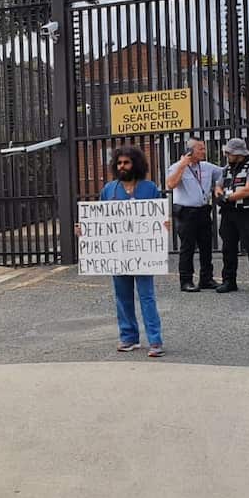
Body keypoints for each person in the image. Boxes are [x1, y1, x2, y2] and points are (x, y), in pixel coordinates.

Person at [78, 146, 168, 358]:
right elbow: (100, 220)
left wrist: (165, 224)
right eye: (119, 163)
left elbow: (158, 217)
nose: (122, 166)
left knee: (147, 297)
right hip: (118, 256)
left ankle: (155, 340)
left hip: (143, 254)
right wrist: (85, 229)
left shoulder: (149, 187)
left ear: (135, 164)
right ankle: (129, 337)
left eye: (126, 162)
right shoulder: (109, 189)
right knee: (122, 297)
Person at [164, 138, 222, 292]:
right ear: (190, 151)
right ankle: (186, 280)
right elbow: (170, 184)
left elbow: (223, 174)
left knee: (206, 246)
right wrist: (182, 166)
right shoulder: (177, 167)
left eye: (204, 148)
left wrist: (217, 186)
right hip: (186, 212)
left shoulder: (208, 167)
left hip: (203, 210)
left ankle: (206, 278)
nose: (204, 151)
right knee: (187, 247)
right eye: (200, 149)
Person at [215, 138, 249, 295]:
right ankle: (229, 281)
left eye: (229, 153)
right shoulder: (227, 168)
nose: (226, 155)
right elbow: (218, 185)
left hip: (247, 213)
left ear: (238, 153)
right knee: (228, 248)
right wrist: (219, 193)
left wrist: (227, 198)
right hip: (229, 213)